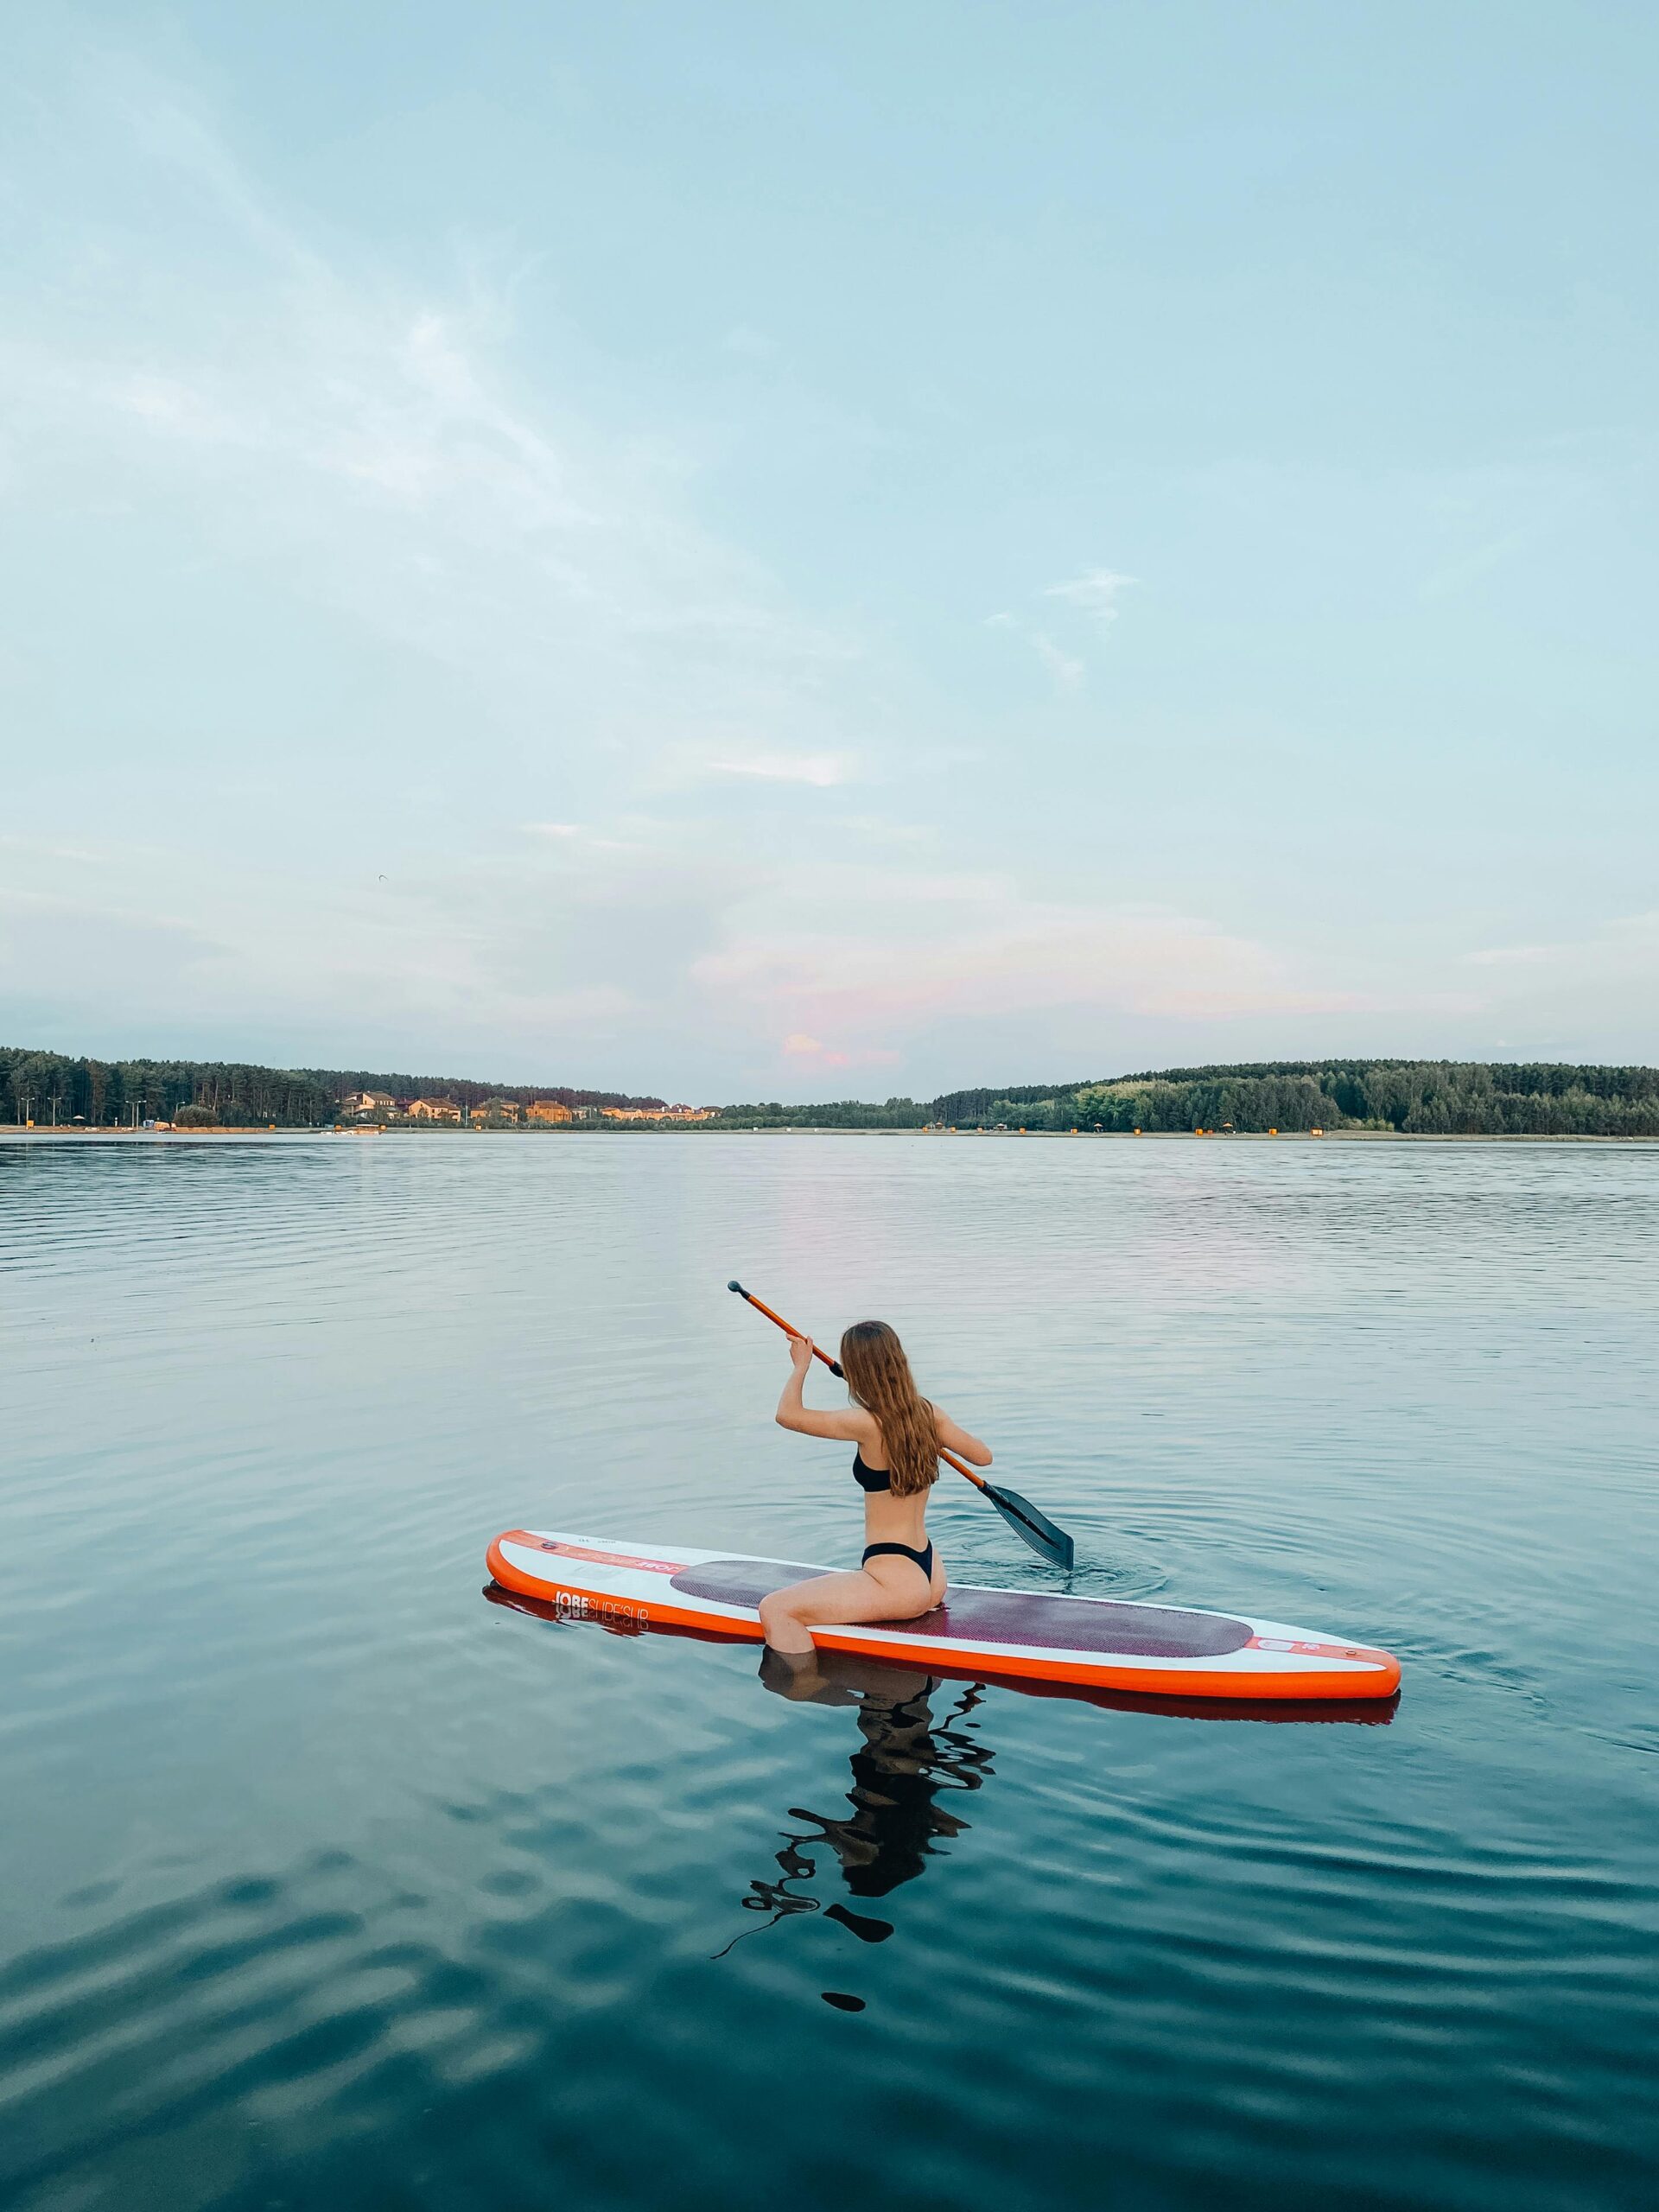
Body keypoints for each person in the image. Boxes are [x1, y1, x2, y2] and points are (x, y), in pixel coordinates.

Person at [760, 1319, 992, 1656]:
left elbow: (787, 1415)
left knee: (776, 1609)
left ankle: (807, 1687)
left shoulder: (865, 1423)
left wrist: (801, 1366)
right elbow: (982, 1457)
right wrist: (929, 1433)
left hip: (896, 1580)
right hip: (932, 1575)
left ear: (855, 1371)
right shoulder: (929, 1414)